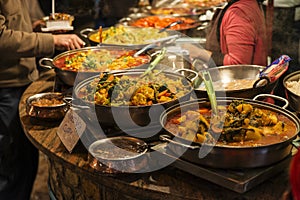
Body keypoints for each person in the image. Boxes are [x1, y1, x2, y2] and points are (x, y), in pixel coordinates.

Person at [0, 0, 85, 199]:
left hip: (21, 79)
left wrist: (37, 27)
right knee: (10, 167)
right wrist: (51, 42)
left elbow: (12, 24)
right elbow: (2, 38)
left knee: (24, 163)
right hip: (6, 87)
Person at [205, 0, 267, 66]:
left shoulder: (239, 13)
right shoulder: (248, 4)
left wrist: (200, 53)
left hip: (241, 75)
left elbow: (238, 64)